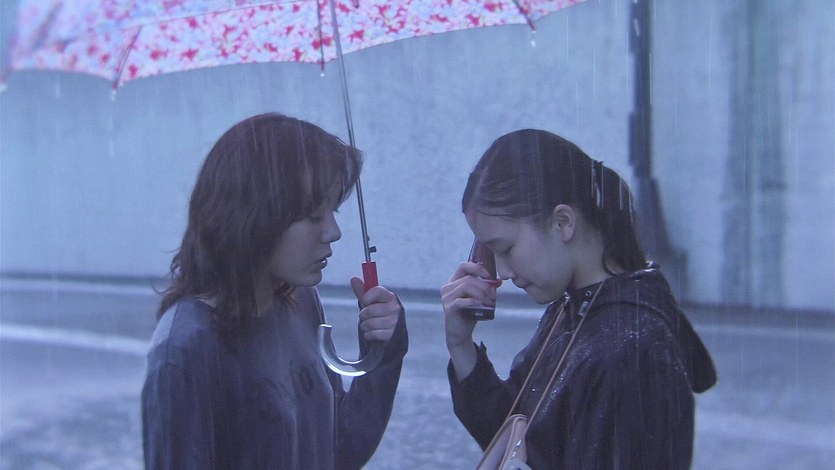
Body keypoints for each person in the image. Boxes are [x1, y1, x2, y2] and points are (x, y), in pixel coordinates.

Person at [142, 113, 408, 469]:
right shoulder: (185, 349)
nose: (333, 231)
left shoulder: (300, 302)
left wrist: (383, 353)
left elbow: (338, 450)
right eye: (314, 215)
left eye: (333, 210)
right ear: (254, 216)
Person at [441, 129, 716, 468]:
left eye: (505, 248)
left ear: (563, 222)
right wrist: (461, 345)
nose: (503, 273)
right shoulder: (572, 309)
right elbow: (516, 440)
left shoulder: (629, 350)